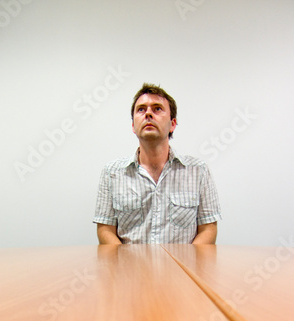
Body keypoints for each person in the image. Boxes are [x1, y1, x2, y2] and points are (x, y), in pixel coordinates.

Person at [93, 83, 222, 244]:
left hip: (181, 267)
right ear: (133, 125)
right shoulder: (112, 173)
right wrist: (125, 266)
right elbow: (105, 229)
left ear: (172, 124)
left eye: (157, 109)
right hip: (130, 268)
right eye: (141, 109)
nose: (148, 113)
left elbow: (208, 228)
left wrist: (186, 265)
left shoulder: (198, 171)